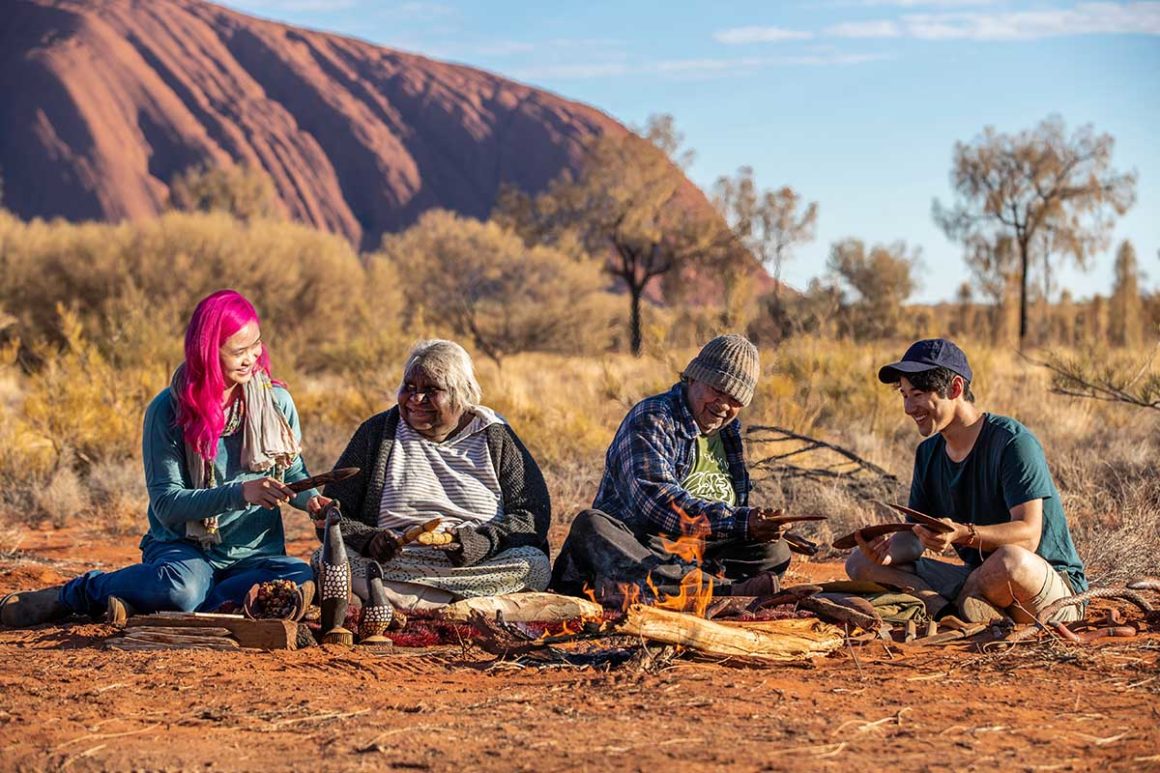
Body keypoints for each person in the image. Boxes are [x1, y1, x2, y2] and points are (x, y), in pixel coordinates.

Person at [0, 290, 323, 627]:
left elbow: (291, 472)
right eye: (239, 351)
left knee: (299, 575)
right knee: (182, 589)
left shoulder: (276, 402)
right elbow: (167, 504)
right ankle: (82, 593)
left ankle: (162, 600)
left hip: (255, 556)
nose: (252, 358)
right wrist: (241, 493)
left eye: (256, 345)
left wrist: (313, 501)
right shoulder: (168, 411)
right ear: (208, 354)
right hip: (185, 547)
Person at [846, 339, 1087, 624]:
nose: (909, 408)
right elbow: (913, 541)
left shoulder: (1013, 442)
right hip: (979, 582)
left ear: (956, 388)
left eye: (919, 394)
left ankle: (950, 609)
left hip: (1044, 588)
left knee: (1011, 560)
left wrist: (962, 533)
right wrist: (886, 553)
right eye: (904, 395)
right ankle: (955, 611)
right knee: (858, 563)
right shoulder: (928, 453)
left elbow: (1028, 536)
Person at [551, 334, 791, 604]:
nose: (724, 405)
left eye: (735, 398)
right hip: (645, 542)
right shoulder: (654, 417)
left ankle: (684, 585)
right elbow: (656, 503)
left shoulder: (728, 432)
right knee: (591, 525)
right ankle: (723, 592)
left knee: (776, 551)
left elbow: (731, 507)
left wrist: (760, 527)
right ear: (693, 377)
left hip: (699, 548)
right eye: (717, 389)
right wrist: (741, 522)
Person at [316, 339, 551, 612]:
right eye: (409, 387)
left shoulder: (494, 434)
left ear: (460, 395)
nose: (415, 399)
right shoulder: (377, 432)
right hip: (398, 564)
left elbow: (531, 516)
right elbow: (334, 516)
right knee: (324, 560)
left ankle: (394, 601)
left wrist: (479, 542)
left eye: (431, 390)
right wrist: (369, 539)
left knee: (532, 564)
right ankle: (472, 607)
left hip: (479, 565)